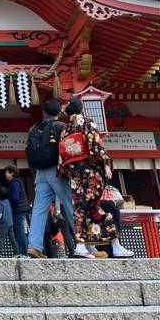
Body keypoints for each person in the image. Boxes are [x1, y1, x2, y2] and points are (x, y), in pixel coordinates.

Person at [61, 97, 118, 257]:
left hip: (74, 173)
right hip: (89, 171)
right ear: (81, 109)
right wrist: (105, 164)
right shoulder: (86, 122)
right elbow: (95, 144)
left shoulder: (65, 129)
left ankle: (81, 246)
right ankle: (115, 245)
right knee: (95, 208)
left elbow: (63, 153)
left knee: (81, 209)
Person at [26, 98, 74, 259]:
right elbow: (68, 150)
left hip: (40, 173)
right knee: (71, 206)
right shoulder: (60, 126)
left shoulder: (33, 128)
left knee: (39, 209)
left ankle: (34, 245)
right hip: (56, 172)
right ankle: (86, 245)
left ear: (44, 112)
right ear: (59, 112)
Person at [4, 165, 30, 256]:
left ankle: (24, 253)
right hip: (20, 210)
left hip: (19, 211)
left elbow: (15, 197)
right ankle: (23, 253)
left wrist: (6, 200)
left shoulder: (14, 183)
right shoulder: (15, 182)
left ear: (11, 173)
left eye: (7, 172)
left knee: (20, 232)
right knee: (20, 232)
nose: (5, 174)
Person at [0, 185, 19, 257]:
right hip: (10, 222)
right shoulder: (7, 200)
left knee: (1, 239)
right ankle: (16, 253)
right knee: (12, 239)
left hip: (3, 223)